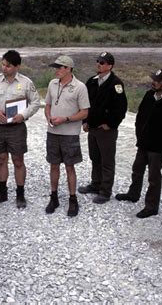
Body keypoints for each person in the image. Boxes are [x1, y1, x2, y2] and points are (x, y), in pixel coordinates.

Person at [116, 69, 162, 218]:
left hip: (158, 148)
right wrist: (139, 134)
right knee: (137, 170)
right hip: (143, 143)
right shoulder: (149, 95)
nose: (153, 82)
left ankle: (151, 206)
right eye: (153, 79)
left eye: (156, 80)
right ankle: (133, 194)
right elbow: (140, 116)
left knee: (153, 177)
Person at [0, 50, 40, 208]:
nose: (4, 68)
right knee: (1, 159)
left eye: (8, 66)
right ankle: (2, 192)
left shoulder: (26, 82)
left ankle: (20, 195)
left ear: (17, 66)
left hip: (17, 127)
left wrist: (23, 115)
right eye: (3, 64)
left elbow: (35, 102)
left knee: (18, 161)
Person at [78, 52, 128, 204]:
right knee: (95, 157)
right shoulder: (92, 81)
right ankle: (96, 184)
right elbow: (84, 103)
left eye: (103, 62)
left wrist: (111, 124)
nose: (99, 64)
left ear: (110, 66)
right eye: (98, 61)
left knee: (107, 161)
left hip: (106, 130)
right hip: (92, 127)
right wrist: (84, 121)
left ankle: (105, 191)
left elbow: (121, 108)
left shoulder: (116, 84)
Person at [44, 55, 90, 217]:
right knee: (53, 165)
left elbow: (84, 112)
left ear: (69, 69)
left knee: (70, 167)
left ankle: (72, 199)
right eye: (56, 67)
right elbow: (47, 105)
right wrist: (48, 117)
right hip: (53, 133)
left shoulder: (80, 87)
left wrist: (66, 119)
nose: (56, 70)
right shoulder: (52, 84)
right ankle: (54, 196)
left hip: (70, 134)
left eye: (60, 67)